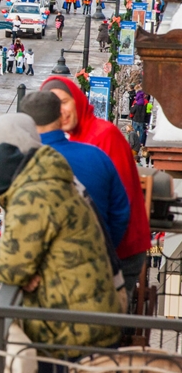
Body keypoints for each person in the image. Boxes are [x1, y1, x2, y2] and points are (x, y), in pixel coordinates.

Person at [0, 113, 122, 373]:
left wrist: (20, 269)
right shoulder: (50, 179)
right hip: (91, 316)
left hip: (74, 334)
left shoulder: (32, 196)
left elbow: (10, 266)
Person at [41, 77, 151, 301]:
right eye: (52, 106)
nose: (59, 111)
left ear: (77, 100)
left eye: (63, 102)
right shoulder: (75, 137)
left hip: (119, 251)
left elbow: (120, 203)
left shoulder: (103, 135)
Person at [20, 91, 130, 247]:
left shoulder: (22, 162)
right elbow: (120, 212)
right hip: (94, 258)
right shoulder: (96, 155)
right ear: (61, 117)